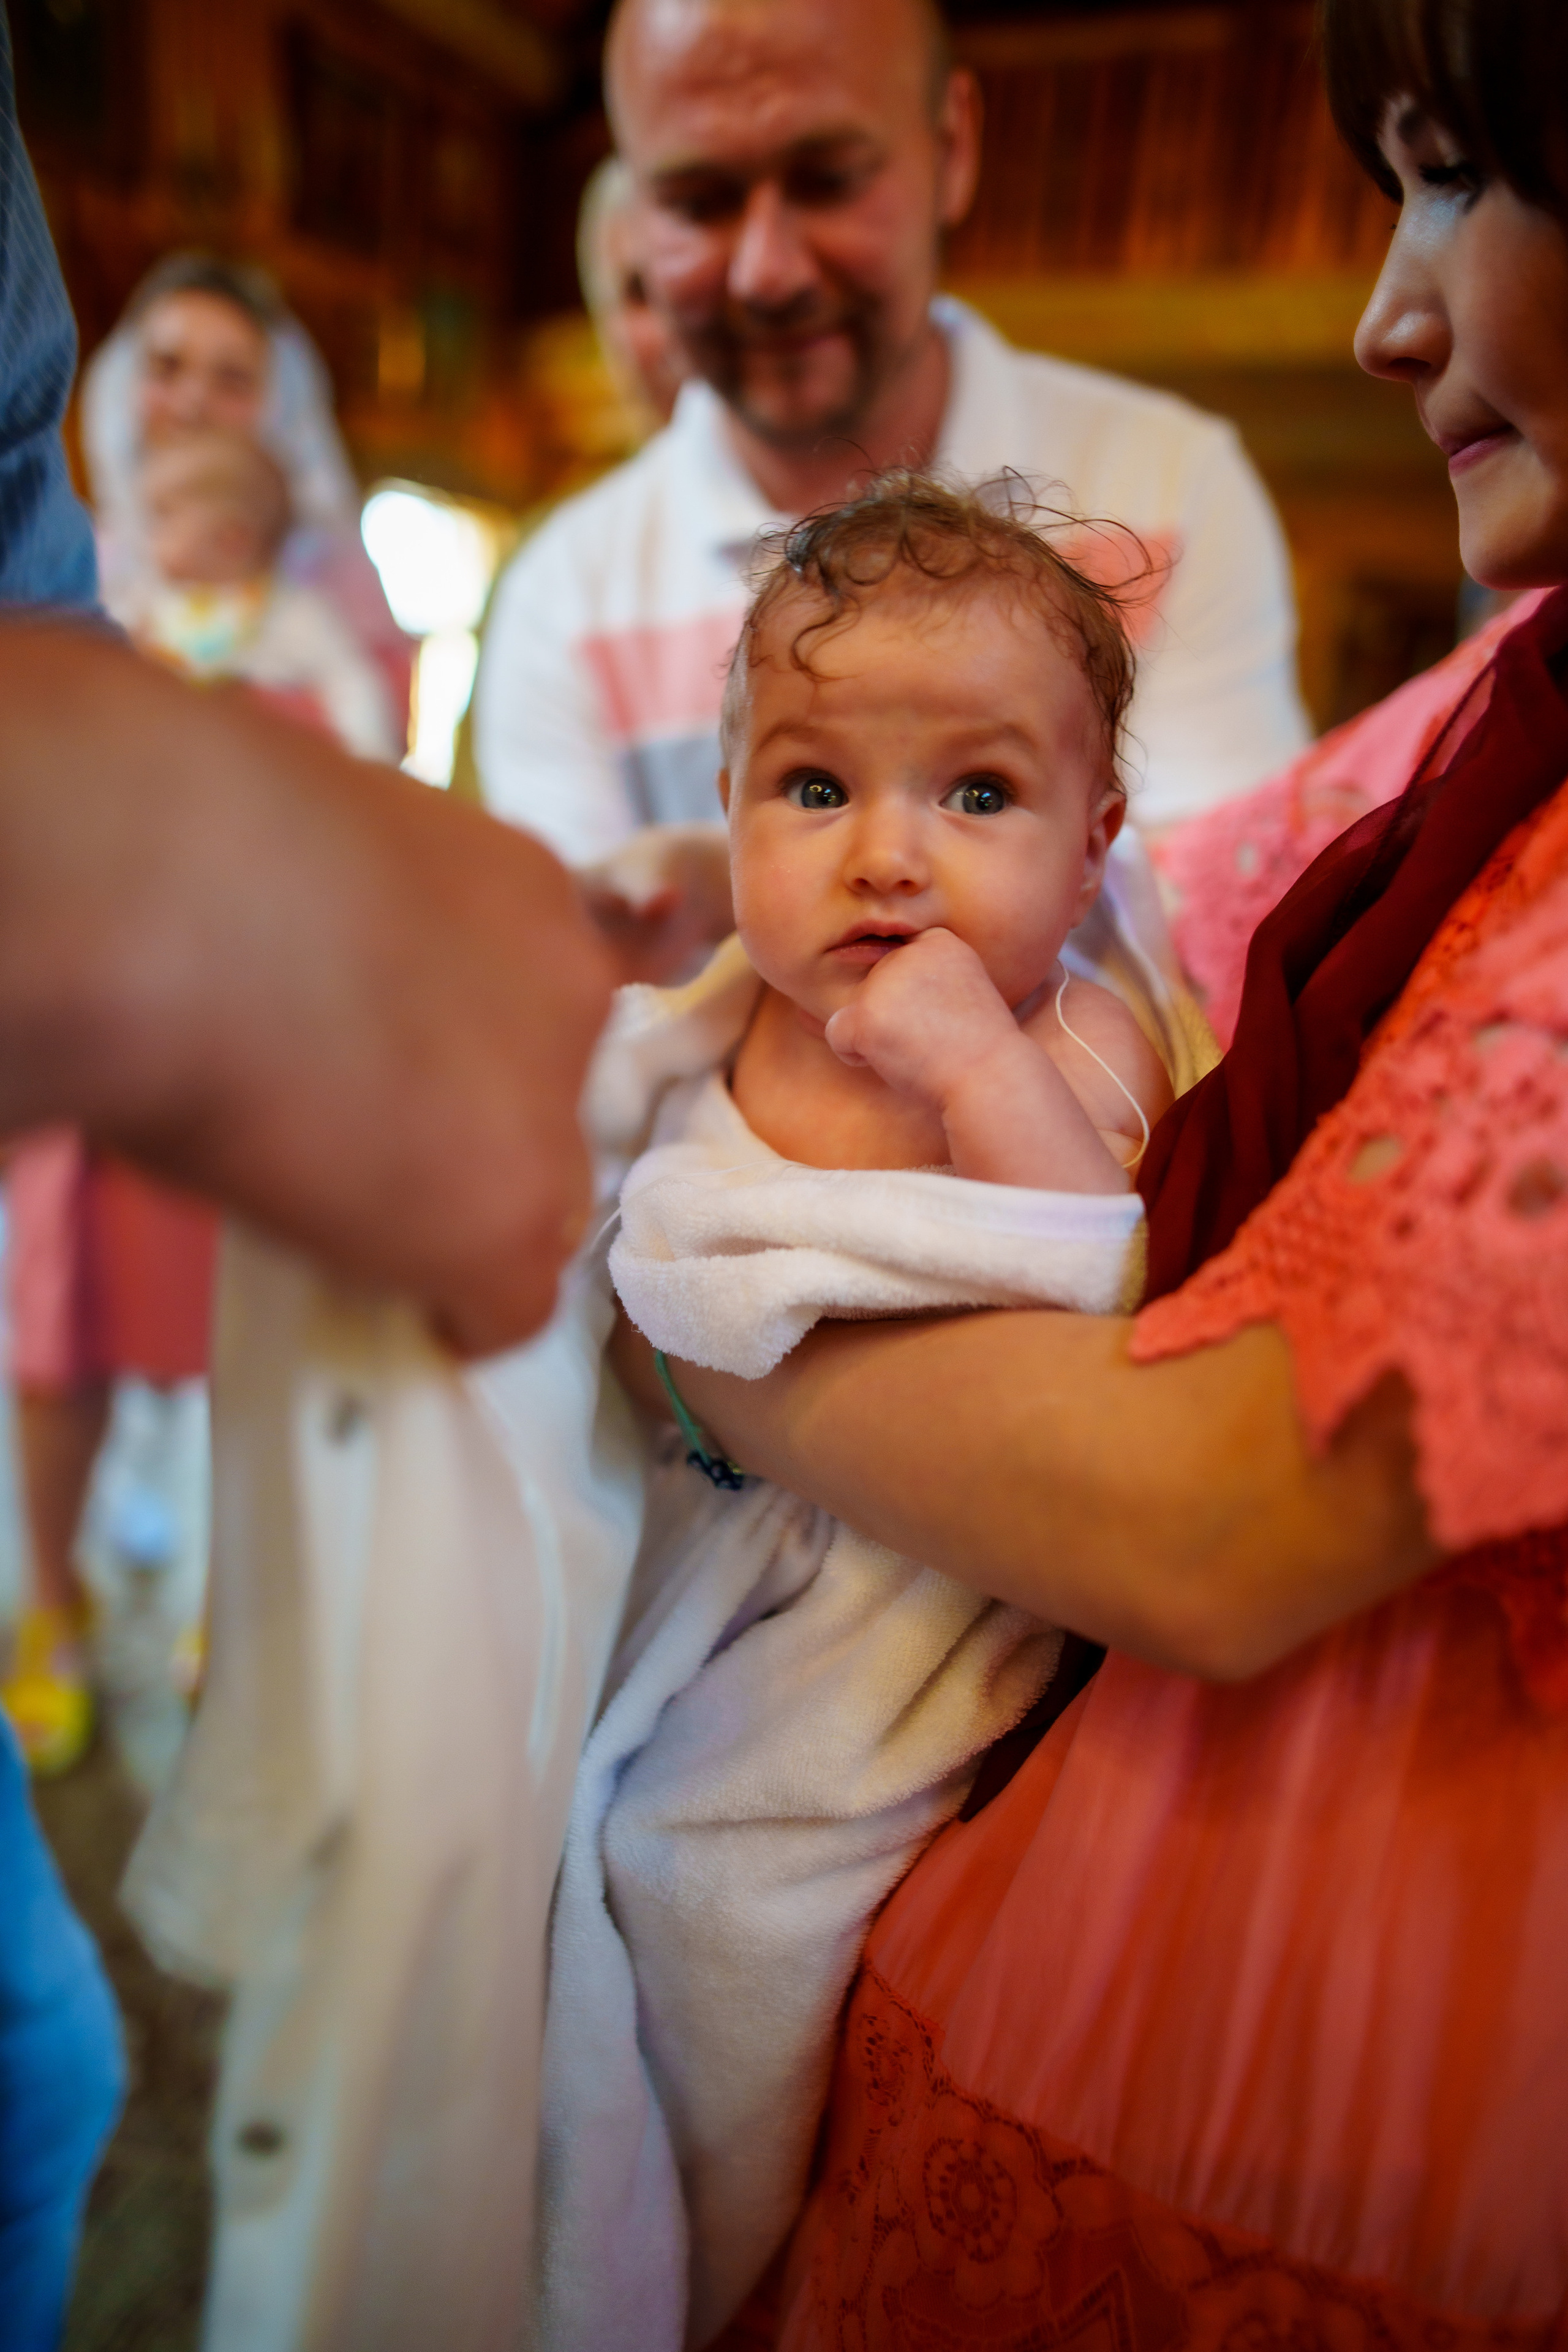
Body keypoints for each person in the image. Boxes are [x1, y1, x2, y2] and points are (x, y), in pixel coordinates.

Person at [605, 0, 1568, 2337]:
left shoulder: (1128, 678)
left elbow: (1194, 1472)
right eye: (814, 788)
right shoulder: (1505, 697)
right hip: (1009, 1833)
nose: (1385, 307)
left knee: (697, 1886)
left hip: (1318, 1999)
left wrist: (689, 1296)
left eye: (1459, 172)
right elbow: (1205, 873)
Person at [0, 13, 609, 2341]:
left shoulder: (329, 604)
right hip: (126, 1029)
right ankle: (56, 1599)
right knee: (65, 1320)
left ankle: (202, 1624)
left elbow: (362, 769)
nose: (177, 415)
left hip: (234, 1071)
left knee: (36, 2075)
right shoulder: (106, 591)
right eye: (146, 376)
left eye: (215, 380)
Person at [538, 475, 1179, 2352]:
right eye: (814, 791)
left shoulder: (1073, 1032)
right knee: (549, 1844)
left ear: (1093, 846)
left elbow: (1087, 1277)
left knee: (716, 1890)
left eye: (976, 797)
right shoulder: (735, 1002)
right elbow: (622, 1185)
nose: (888, 857)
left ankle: (708, 2264)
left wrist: (982, 1066)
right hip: (703, 1517)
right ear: (732, 804)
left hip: (904, 1600)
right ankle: (599, 2220)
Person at [472, 0, 1310, 878]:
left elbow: (1216, 919)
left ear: (952, 148)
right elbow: (589, 986)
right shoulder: (564, 598)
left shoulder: (1168, 488)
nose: (767, 273)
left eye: (828, 179)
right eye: (700, 202)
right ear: (636, 216)